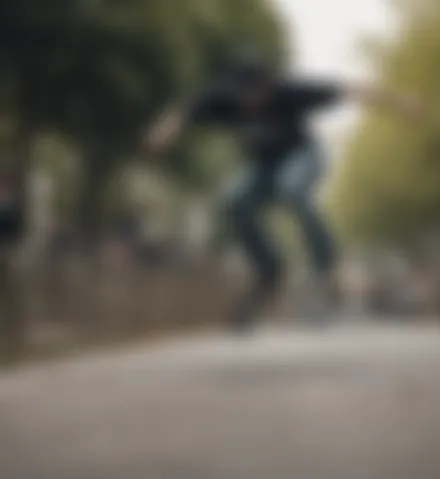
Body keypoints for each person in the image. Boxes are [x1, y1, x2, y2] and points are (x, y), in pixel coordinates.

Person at [144, 53, 423, 328]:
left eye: (254, 95)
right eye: (242, 96)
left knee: (290, 189)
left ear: (267, 85)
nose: (248, 103)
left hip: (304, 157)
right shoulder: (224, 99)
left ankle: (326, 262)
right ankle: (269, 270)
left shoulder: (291, 92)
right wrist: (164, 131)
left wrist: (400, 102)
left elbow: (351, 89)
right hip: (264, 169)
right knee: (234, 202)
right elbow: (184, 108)